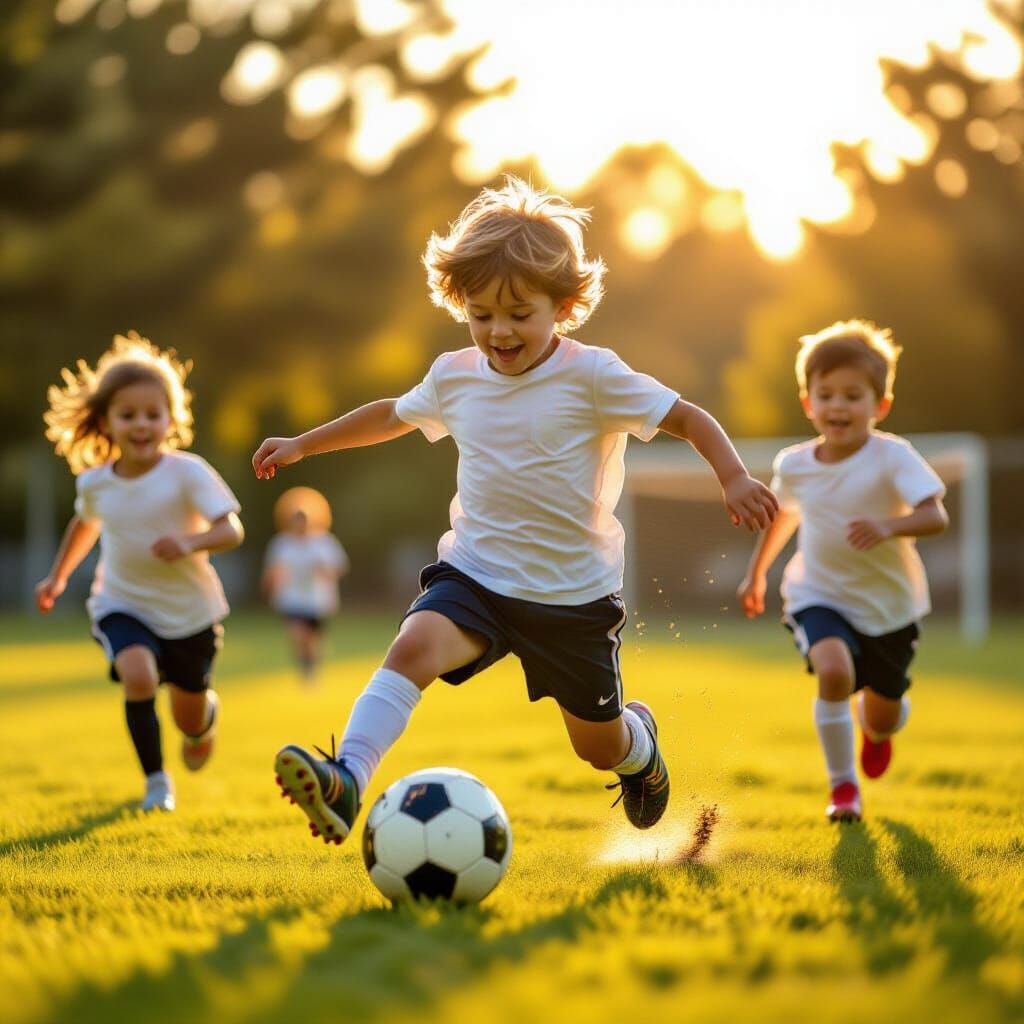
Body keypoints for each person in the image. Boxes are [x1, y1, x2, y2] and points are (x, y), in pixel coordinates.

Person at [252, 177, 778, 847]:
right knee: (413, 646)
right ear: (459, 305)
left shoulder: (594, 376)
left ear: (563, 306)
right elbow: (390, 414)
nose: (498, 331)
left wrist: (732, 477)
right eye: (480, 314)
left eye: (518, 314)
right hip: (476, 574)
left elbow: (687, 416)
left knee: (597, 745)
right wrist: (304, 443)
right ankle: (347, 778)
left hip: (572, 597)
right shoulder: (455, 375)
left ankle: (638, 744)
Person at [737, 320, 948, 822]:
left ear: (880, 405)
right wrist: (758, 572)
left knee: (884, 714)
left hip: (890, 607)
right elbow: (784, 515)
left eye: (853, 396)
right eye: (825, 394)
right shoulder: (794, 465)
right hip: (818, 593)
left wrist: (888, 525)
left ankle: (876, 731)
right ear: (808, 402)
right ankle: (843, 789)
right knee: (833, 672)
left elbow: (935, 515)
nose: (838, 406)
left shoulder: (892, 456)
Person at [36, 331, 244, 812]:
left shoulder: (188, 472)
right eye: (128, 415)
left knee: (187, 716)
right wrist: (58, 577)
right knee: (138, 675)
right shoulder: (95, 483)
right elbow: (84, 526)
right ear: (105, 421)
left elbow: (230, 530)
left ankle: (202, 721)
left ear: (171, 419)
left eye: (153, 414)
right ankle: (156, 784)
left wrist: (190, 542)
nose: (141, 424)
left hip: (190, 613)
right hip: (122, 603)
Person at [262, 486, 350, 683]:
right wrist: (270, 587)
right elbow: (273, 570)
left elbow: (339, 568)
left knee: (312, 640)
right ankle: (305, 667)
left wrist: (323, 570)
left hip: (318, 600)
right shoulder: (282, 543)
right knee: (297, 634)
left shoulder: (324, 542)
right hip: (291, 598)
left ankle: (311, 667)